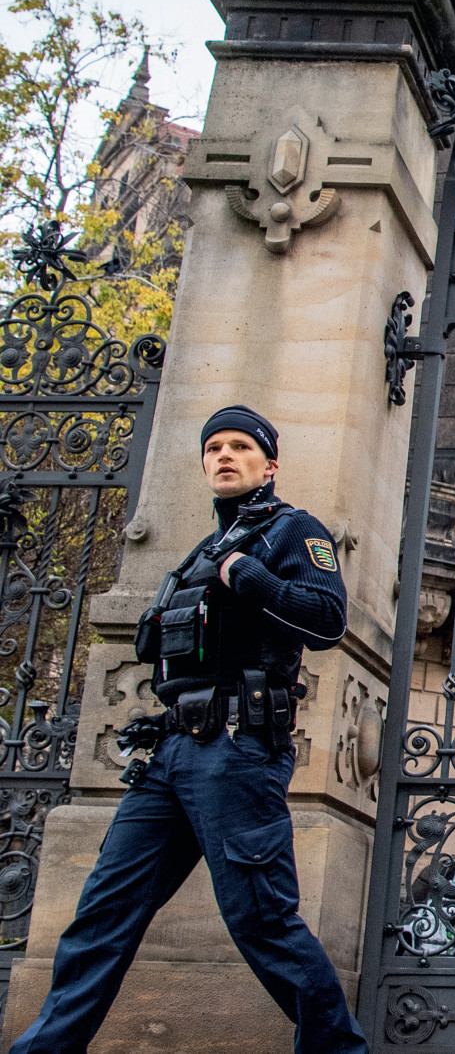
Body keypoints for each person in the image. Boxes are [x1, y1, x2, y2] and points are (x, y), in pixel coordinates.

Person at [9, 405, 366, 1054]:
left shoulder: (292, 532)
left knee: (263, 924)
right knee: (102, 916)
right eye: (214, 447)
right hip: (170, 755)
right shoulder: (200, 553)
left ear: (270, 465)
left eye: (241, 446)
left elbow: (327, 620)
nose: (224, 455)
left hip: (236, 751)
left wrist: (251, 578)